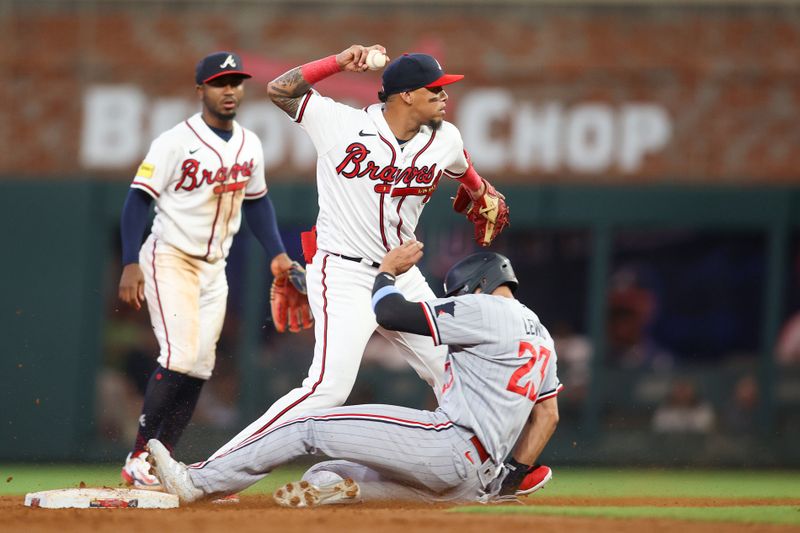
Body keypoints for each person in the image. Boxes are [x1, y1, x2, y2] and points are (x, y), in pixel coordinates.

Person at [200, 44, 512, 470]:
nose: (444, 96)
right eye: (434, 89)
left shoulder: (446, 137)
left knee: (454, 371)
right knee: (328, 388)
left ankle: (488, 472)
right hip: (344, 273)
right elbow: (280, 90)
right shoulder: (341, 124)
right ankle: (215, 470)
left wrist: (479, 190)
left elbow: (462, 166)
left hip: (401, 276)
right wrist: (339, 63)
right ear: (405, 96)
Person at [146, 244, 562, 505]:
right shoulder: (542, 334)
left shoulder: (482, 308)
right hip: (474, 481)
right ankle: (347, 493)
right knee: (323, 476)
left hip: (449, 443)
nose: (457, 301)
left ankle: (199, 482)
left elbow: (390, 312)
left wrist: (385, 272)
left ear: (478, 284)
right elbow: (548, 417)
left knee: (306, 425)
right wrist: (514, 475)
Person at [117, 51, 311, 489]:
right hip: (170, 257)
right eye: (220, 83)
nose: (230, 90)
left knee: (201, 365)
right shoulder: (173, 142)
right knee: (180, 356)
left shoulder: (249, 143)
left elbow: (259, 202)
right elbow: (137, 200)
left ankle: (160, 461)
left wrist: (278, 253)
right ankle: (137, 457)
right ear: (201, 89)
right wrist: (131, 260)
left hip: (214, 267)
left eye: (236, 82)